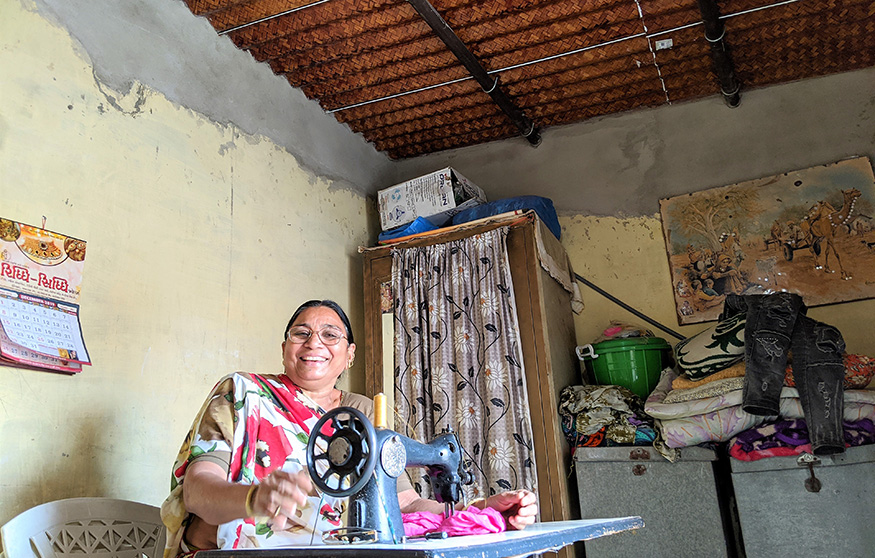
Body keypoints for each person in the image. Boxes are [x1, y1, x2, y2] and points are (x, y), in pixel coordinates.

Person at [161, 299, 538, 557]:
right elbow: (196, 492)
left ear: (349, 353)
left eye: (330, 334)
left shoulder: (364, 415)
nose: (314, 343)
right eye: (300, 333)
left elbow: (404, 505)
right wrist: (252, 498)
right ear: (284, 347)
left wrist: (480, 508)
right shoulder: (244, 393)